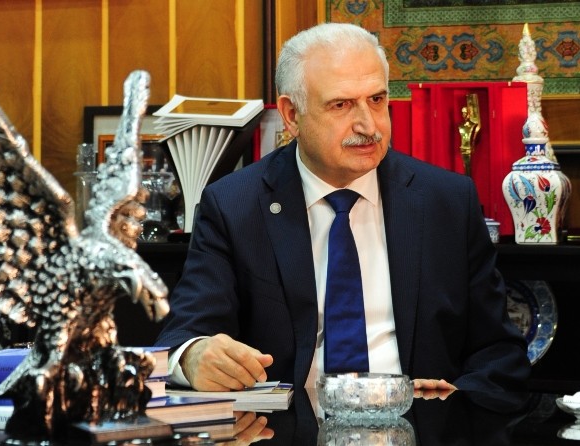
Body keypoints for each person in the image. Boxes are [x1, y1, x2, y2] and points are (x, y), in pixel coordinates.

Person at [154, 22, 530, 403]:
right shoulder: (234, 206)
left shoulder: (447, 202)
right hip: (287, 426)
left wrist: (456, 403)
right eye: (341, 105)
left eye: (377, 100)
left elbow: (500, 354)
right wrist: (193, 357)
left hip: (417, 423)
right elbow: (181, 337)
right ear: (291, 115)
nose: (369, 125)